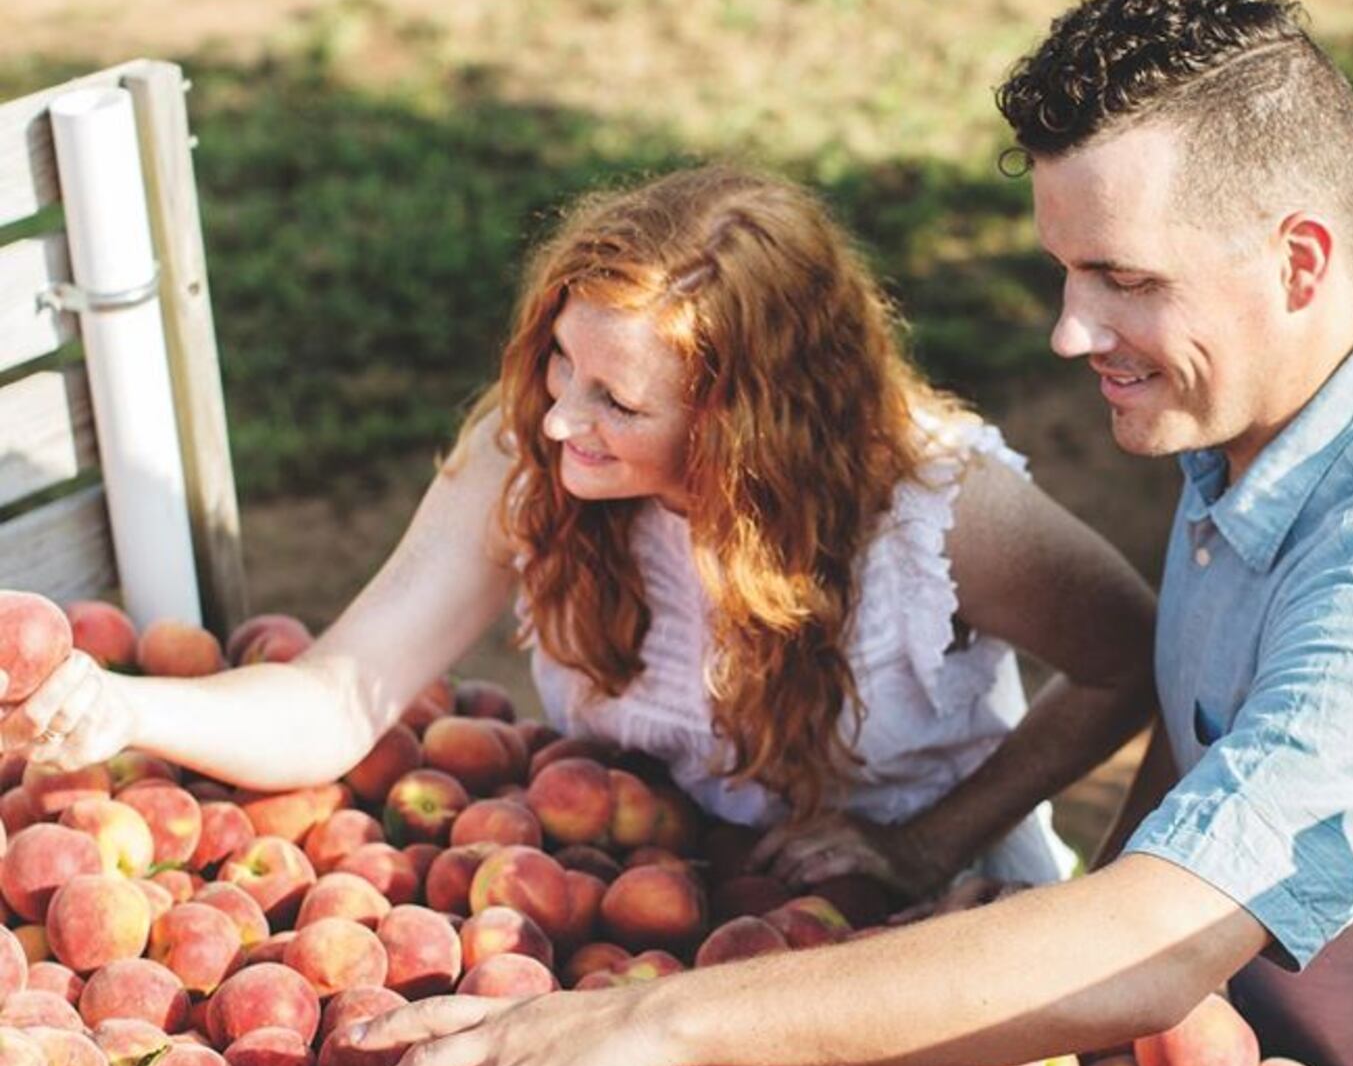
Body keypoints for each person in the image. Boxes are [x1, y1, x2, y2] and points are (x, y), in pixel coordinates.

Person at [356, 0, 1353, 1066]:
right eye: (1067, 269)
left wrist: (655, 1023)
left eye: (1125, 278)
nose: (1069, 329)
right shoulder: (1268, 415)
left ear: (1299, 260)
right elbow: (1199, 735)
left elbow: (1155, 941)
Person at [0, 163, 1154, 902]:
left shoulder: (933, 512)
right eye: (561, 358)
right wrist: (125, 707)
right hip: (655, 894)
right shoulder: (529, 462)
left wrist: (929, 843)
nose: (559, 413)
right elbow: (335, 697)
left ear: (746, 425)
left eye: (619, 399)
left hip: (935, 920)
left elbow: (1128, 657)